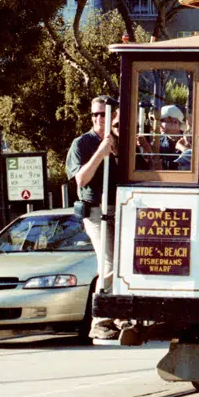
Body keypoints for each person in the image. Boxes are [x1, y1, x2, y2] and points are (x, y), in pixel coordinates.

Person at [66, 96, 119, 341]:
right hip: (96, 210)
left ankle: (121, 315)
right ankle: (100, 320)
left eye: (103, 114)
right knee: (107, 263)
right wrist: (100, 152)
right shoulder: (82, 144)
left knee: (125, 263)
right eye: (94, 115)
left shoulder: (123, 141)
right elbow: (81, 179)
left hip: (122, 207)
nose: (99, 119)